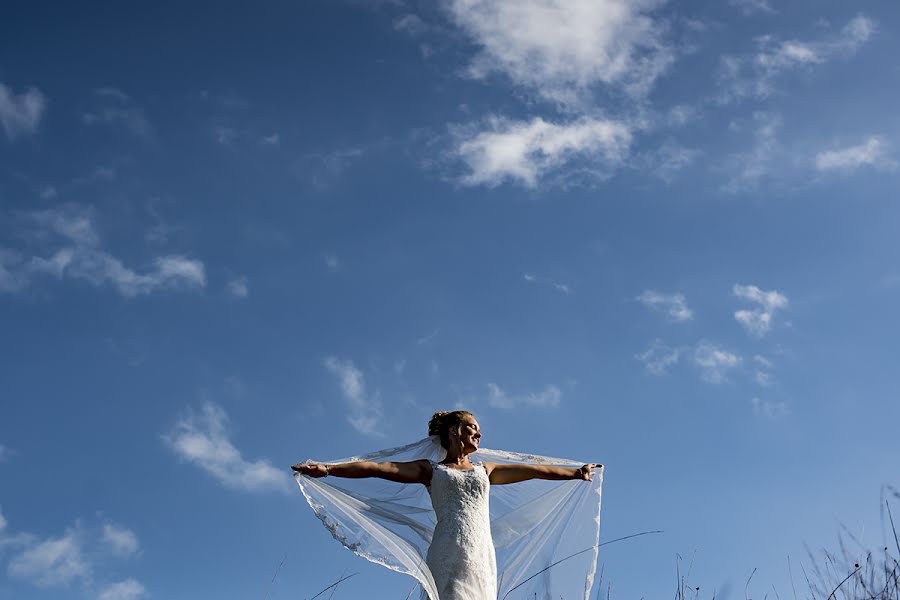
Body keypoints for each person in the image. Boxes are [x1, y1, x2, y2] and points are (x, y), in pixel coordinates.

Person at [292, 410, 601, 600]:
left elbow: (534, 469)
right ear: (454, 432)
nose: (478, 432)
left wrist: (576, 472)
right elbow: (380, 468)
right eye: (472, 427)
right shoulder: (431, 470)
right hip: (448, 548)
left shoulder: (486, 470)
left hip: (481, 553)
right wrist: (329, 469)